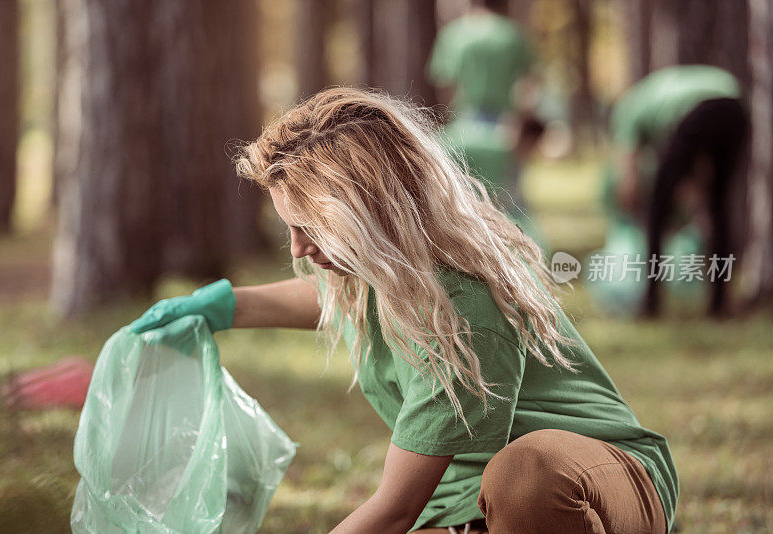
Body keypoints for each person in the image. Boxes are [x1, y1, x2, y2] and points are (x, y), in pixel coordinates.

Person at [131, 88, 677, 533]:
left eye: (310, 228)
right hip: (469, 513)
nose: (297, 250)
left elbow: (394, 511)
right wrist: (218, 307)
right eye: (289, 228)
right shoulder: (381, 269)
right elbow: (327, 297)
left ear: (370, 214)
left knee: (525, 475)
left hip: (600, 485)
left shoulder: (461, 305)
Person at [609, 65, 749, 317]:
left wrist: (631, 206)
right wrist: (697, 209)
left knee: (656, 210)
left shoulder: (627, 111)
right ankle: (720, 304)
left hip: (698, 110)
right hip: (735, 105)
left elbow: (629, 178)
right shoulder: (656, 96)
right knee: (718, 207)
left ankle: (651, 302)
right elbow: (691, 175)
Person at [427, 0, 540, 224]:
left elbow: (445, 86)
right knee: (510, 203)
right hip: (505, 127)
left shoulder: (453, 35)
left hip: (463, 129)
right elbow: (528, 86)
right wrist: (521, 127)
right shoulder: (511, 34)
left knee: (463, 203)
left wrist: (450, 125)